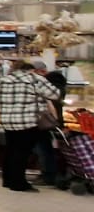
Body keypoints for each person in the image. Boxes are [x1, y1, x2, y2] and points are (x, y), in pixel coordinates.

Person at [0, 59, 59, 193]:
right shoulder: (35, 79)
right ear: (30, 69)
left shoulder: (4, 79)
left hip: (7, 120)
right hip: (28, 121)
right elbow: (55, 94)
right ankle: (19, 183)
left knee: (10, 150)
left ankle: (7, 180)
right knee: (22, 152)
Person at [31, 59, 67, 187]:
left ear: (39, 71)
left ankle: (48, 175)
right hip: (46, 120)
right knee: (43, 148)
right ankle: (46, 173)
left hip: (46, 121)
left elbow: (54, 99)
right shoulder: (49, 82)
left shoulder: (51, 81)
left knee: (43, 148)